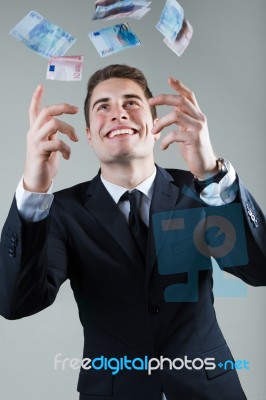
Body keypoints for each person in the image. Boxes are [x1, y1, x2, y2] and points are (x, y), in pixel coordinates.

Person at [0, 64, 265, 400]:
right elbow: (15, 302)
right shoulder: (62, 211)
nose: (118, 114)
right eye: (103, 107)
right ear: (89, 135)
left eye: (131, 103)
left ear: (155, 127)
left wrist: (212, 174)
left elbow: (259, 270)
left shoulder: (198, 191)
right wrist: (33, 191)